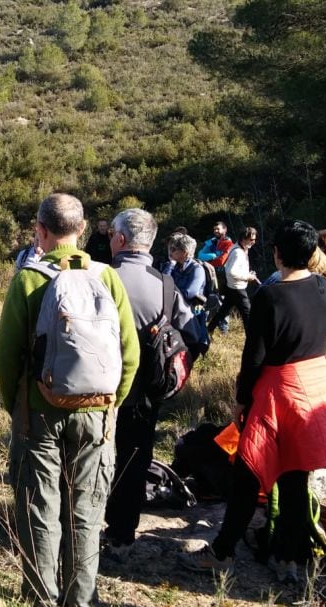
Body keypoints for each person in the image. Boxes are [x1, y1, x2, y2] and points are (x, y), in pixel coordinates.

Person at [182, 220, 326, 580]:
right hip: (316, 385)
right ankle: (291, 560)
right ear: (312, 254)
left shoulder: (270, 296)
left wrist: (241, 400)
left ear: (276, 254)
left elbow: (254, 356)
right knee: (295, 476)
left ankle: (224, 552)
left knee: (250, 472)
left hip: (278, 391)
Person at [0, 193, 139, 607]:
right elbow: (130, 352)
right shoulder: (108, 277)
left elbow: (6, 358)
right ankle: (81, 598)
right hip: (97, 412)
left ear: (40, 230)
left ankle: (42, 596)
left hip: (38, 414)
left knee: (40, 507)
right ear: (84, 230)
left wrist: (19, 406)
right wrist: (110, 403)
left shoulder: (28, 278)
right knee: (87, 510)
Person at [103, 209, 193, 554]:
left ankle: (79, 524)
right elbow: (195, 336)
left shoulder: (101, 278)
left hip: (99, 389)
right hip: (146, 392)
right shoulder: (167, 285)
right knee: (135, 457)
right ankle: (122, 532)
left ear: (122, 240)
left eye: (112, 234)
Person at [206, 227, 259, 334]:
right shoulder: (238, 252)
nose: (254, 242)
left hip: (232, 287)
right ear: (244, 239)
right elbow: (231, 271)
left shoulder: (241, 248)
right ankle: (252, 340)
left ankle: (208, 331)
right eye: (251, 239)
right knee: (247, 315)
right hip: (238, 288)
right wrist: (247, 277)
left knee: (222, 312)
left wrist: (248, 273)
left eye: (254, 239)